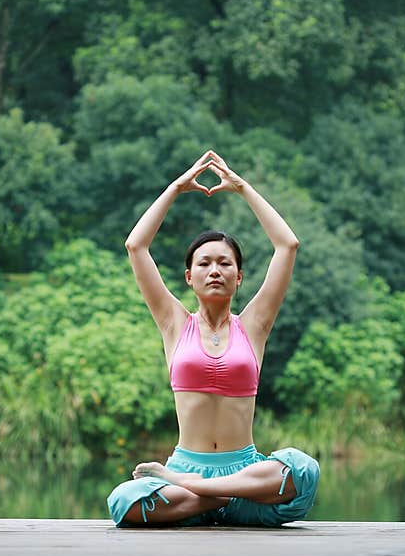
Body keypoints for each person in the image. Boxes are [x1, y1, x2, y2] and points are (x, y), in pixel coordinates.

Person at [106, 149, 320, 527]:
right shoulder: (174, 323)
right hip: (189, 477)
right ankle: (212, 496)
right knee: (124, 502)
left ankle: (212, 492)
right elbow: (135, 246)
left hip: (242, 476)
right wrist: (175, 188)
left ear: (239, 277)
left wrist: (242, 187)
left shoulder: (253, 325)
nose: (215, 270)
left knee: (302, 470)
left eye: (225, 263)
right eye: (204, 263)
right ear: (189, 276)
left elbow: (288, 245)